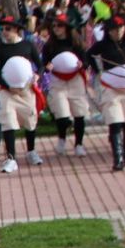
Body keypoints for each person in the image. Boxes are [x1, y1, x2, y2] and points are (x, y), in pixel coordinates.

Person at [86, 14, 125, 172]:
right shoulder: (103, 45)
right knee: (115, 122)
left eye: (120, 28)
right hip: (112, 90)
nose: (117, 32)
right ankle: (118, 158)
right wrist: (97, 70)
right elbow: (89, 54)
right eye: (114, 29)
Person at [0, 16, 44, 173]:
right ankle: (11, 157)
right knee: (8, 120)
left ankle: (31, 151)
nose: (4, 32)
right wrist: (8, 86)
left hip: (26, 90)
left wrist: (37, 76)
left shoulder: (28, 45)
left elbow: (40, 65)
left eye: (8, 29)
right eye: (2, 29)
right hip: (7, 91)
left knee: (30, 119)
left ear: (16, 30)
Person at [41, 14, 90, 157]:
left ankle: (79, 144)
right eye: (54, 26)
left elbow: (85, 60)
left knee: (79, 113)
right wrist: (47, 67)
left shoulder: (76, 43)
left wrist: (83, 65)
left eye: (60, 25)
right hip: (58, 80)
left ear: (67, 27)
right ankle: (62, 139)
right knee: (61, 113)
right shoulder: (49, 45)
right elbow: (44, 63)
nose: (56, 29)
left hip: (75, 79)